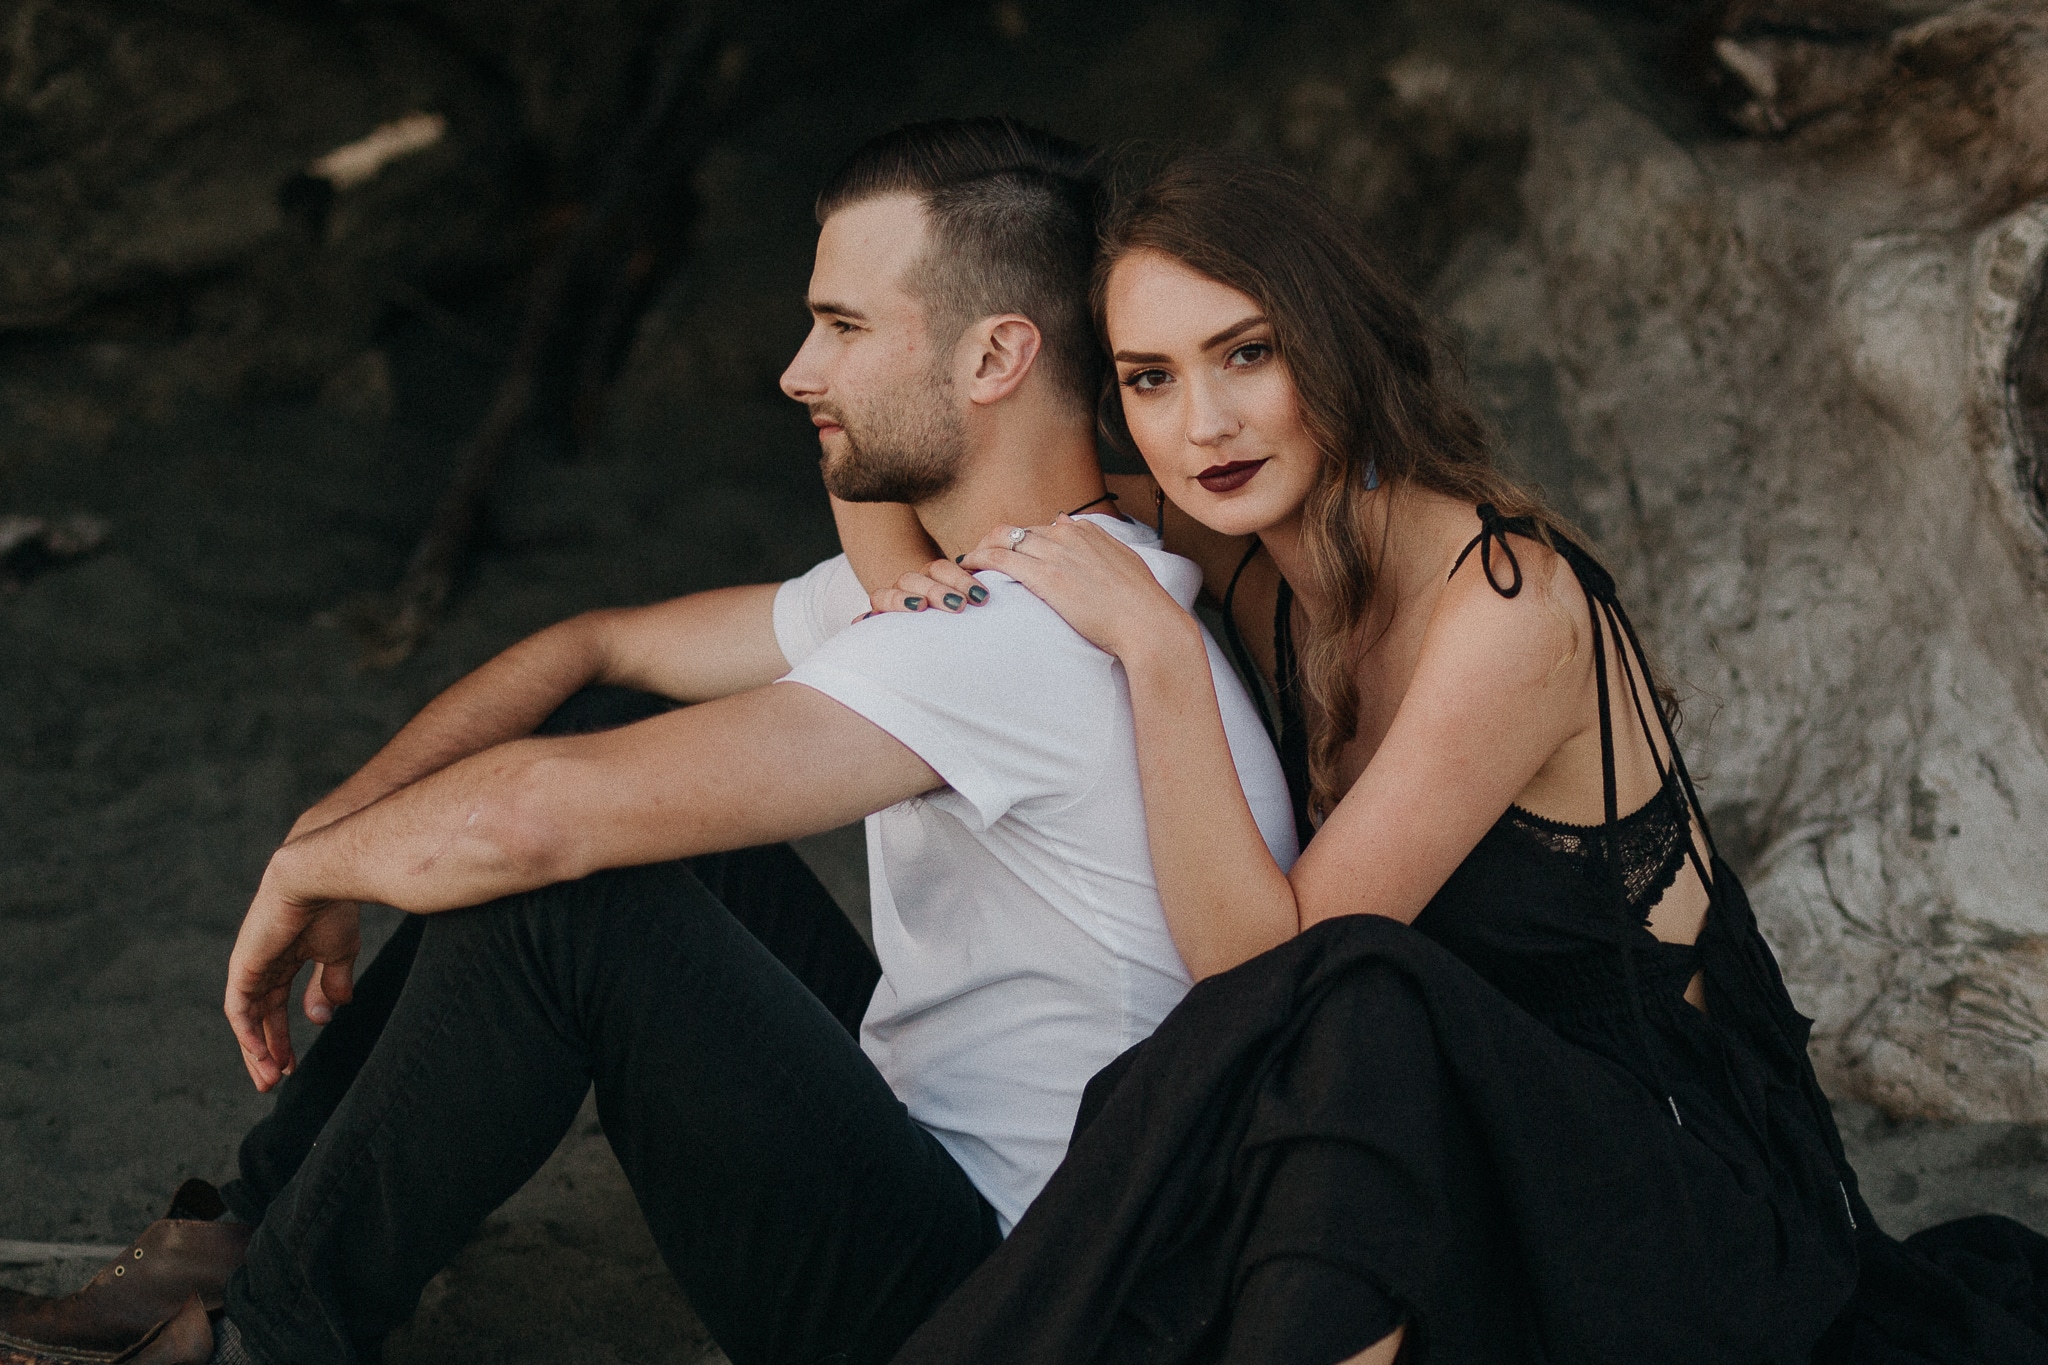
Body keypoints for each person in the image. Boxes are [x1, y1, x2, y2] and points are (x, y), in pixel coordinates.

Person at [0, 120, 1297, 1365]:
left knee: (558, 903)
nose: (798, 371)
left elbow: (529, 821)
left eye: (843, 328)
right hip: (942, 1159)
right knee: (599, 743)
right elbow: (598, 651)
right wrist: (328, 832)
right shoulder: (978, 584)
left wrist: (313, 874)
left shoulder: (1011, 634)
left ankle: (270, 1340)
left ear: (994, 358)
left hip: (1005, 1302)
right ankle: (237, 1236)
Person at [845, 153, 2048, 1363]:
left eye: (1247, 353)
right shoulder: (1245, 539)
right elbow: (955, 479)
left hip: (1681, 1204)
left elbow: (1264, 969)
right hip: (1460, 1165)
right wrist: (894, 535)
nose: (1199, 423)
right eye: (1148, 379)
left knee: (1357, 992)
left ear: (1337, 344)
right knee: (1343, 1049)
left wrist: (1158, 651)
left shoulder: (1504, 611)